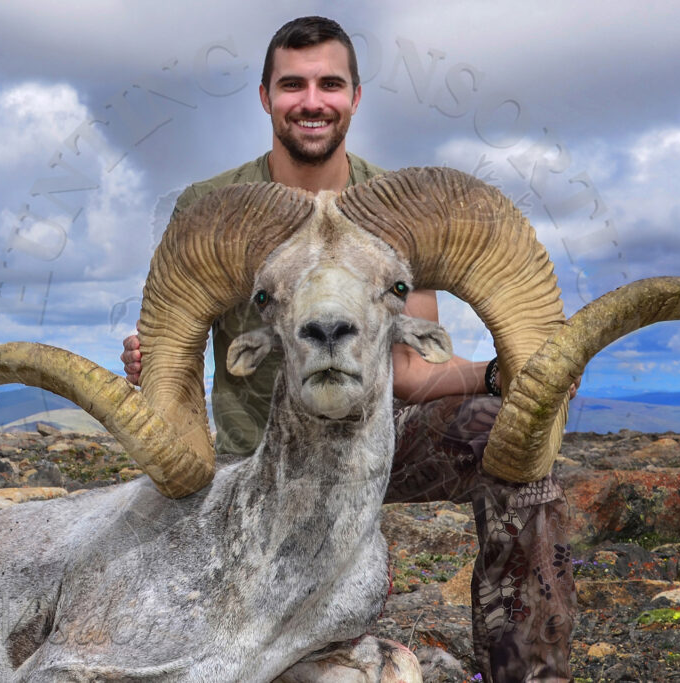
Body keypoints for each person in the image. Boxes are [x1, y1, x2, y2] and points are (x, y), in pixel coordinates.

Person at [121, 16, 577, 682]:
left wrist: (503, 376)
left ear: (355, 97)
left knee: (513, 448)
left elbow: (412, 373)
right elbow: (177, 335)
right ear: (266, 97)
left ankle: (526, 674)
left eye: (329, 84)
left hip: (375, 443)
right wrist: (155, 358)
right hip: (262, 464)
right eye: (293, 85)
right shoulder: (214, 207)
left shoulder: (398, 210)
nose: (312, 101)